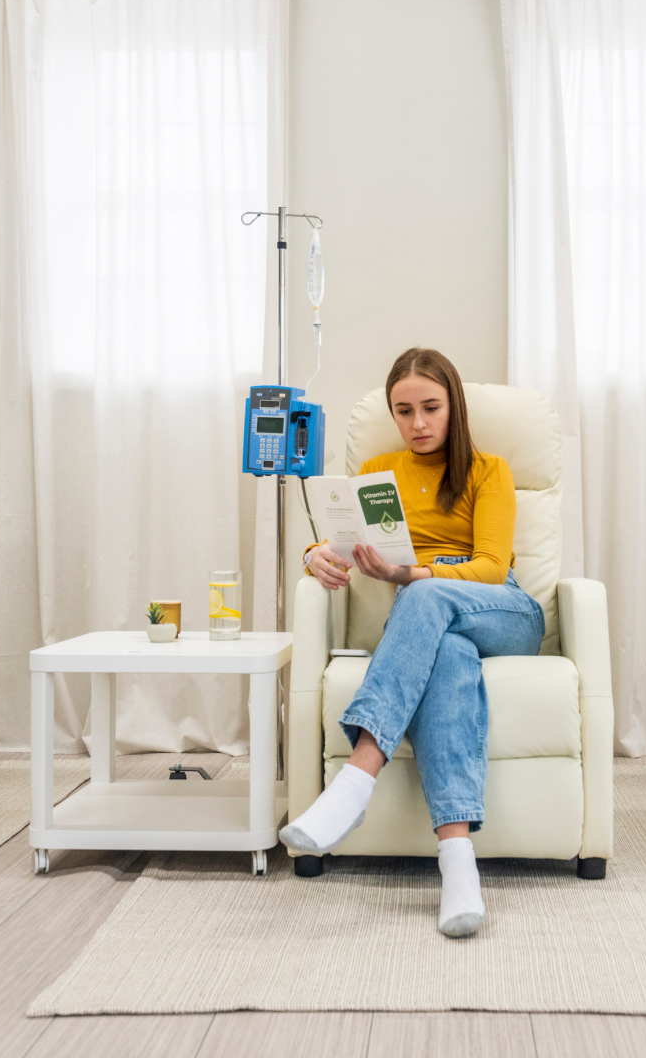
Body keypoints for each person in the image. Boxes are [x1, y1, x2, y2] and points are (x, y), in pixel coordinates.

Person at [280, 347, 544, 938]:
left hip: (503, 610)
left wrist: (414, 577)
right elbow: (340, 541)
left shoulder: (487, 470)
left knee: (424, 600)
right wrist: (315, 556)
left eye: (430, 407)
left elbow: (492, 566)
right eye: (404, 411)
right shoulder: (379, 470)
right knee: (447, 655)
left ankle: (355, 780)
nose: (418, 423)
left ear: (454, 407)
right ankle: (458, 868)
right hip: (436, 625)